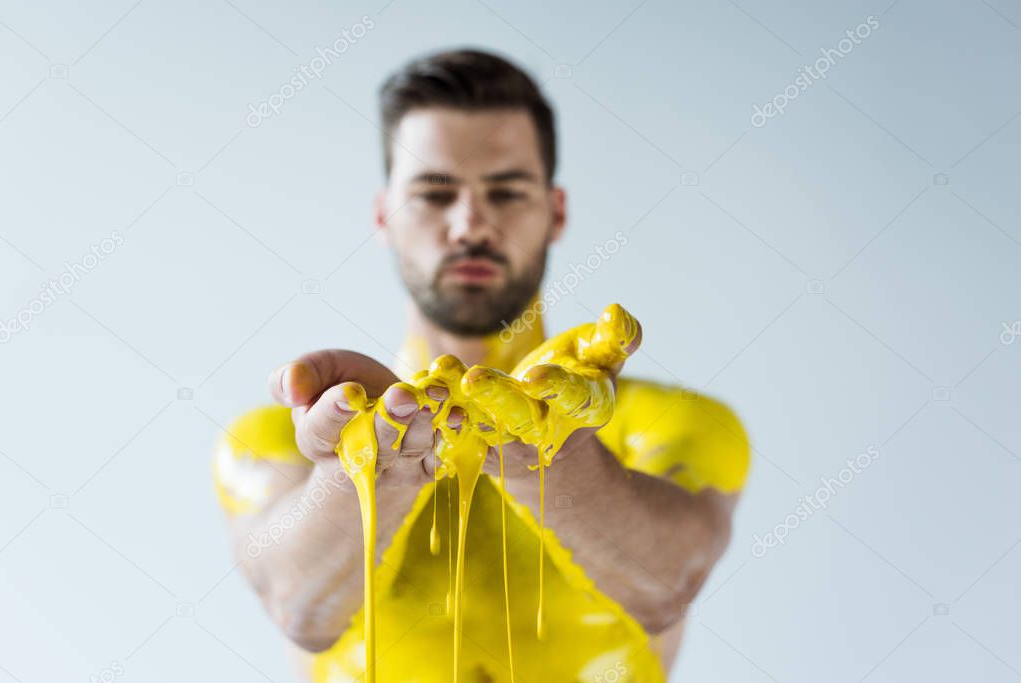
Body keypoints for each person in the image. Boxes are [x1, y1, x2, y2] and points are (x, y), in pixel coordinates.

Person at [213, 47, 750, 682]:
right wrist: (364, 475)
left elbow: (667, 585)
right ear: (385, 215)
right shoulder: (283, 438)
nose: (470, 224)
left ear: (556, 212)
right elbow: (300, 608)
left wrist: (556, 454)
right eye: (436, 193)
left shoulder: (676, 424)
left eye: (506, 191)